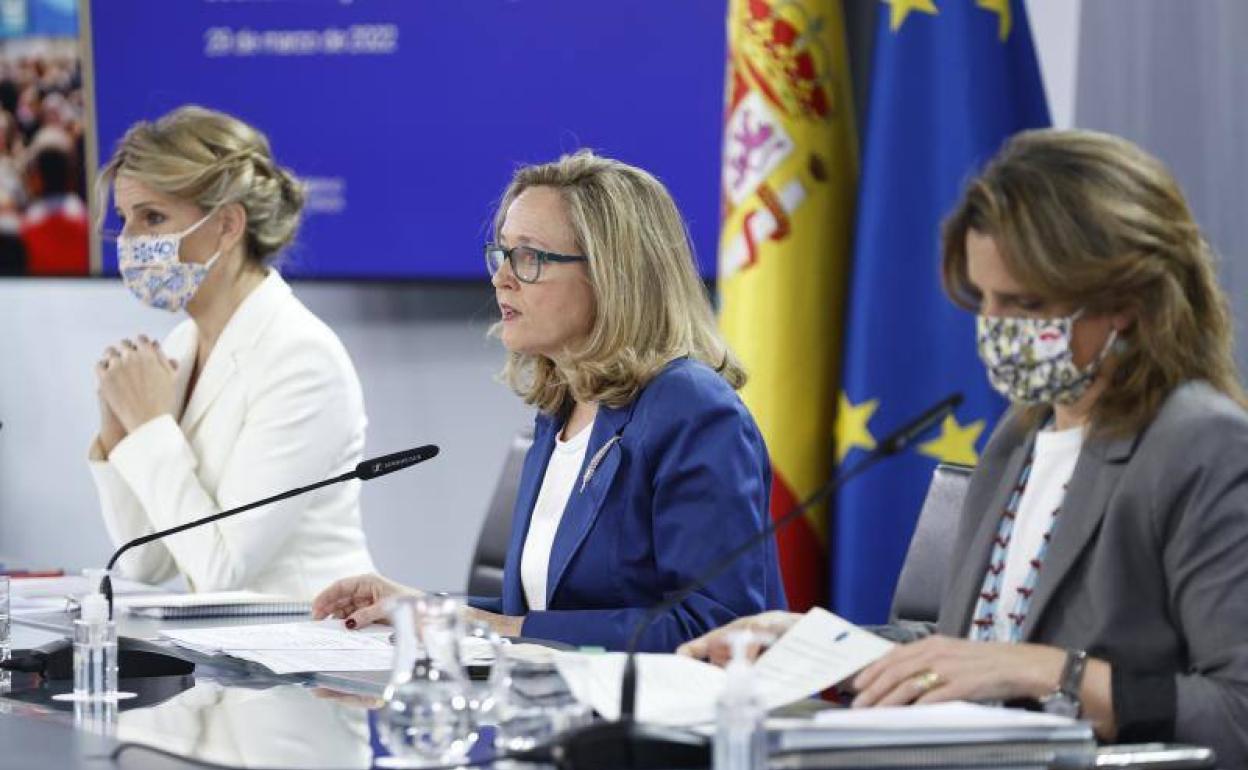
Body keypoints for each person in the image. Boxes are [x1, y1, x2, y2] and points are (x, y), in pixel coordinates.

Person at [679, 129, 1248, 764]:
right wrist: (821, 649)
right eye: (985, 301)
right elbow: (976, 646)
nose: (995, 328)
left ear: (1126, 299)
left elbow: (1236, 711)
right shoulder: (1021, 434)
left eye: (1024, 303)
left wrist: (1049, 671)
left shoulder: (1201, 444)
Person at [313, 150, 785, 651]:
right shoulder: (561, 410)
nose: (502, 278)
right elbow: (545, 616)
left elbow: (715, 631)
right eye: (503, 254)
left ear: (611, 274)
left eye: (531, 257)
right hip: (558, 716)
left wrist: (494, 628)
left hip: (664, 724)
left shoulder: (691, 409)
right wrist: (422, 610)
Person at [88, 105, 374, 599]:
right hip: (231, 656)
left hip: (312, 653)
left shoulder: (301, 357)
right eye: (124, 219)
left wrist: (151, 427)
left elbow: (223, 570)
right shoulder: (183, 344)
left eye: (152, 217)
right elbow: (144, 560)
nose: (130, 241)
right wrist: (120, 430)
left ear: (227, 226)